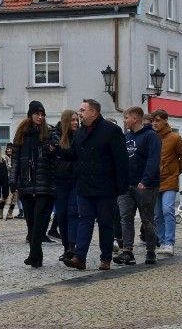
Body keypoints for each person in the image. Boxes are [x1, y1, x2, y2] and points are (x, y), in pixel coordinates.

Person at [59, 99, 128, 271]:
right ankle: (79, 257)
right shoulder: (80, 132)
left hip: (105, 186)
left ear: (93, 112)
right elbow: (74, 153)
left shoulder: (111, 130)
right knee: (85, 221)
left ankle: (106, 259)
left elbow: (121, 160)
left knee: (105, 223)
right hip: (84, 186)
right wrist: (57, 151)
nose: (80, 113)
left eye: (83, 110)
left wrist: (122, 185)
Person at [9, 101, 56, 268]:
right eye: (37, 114)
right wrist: (13, 180)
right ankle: (37, 257)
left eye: (42, 114)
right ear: (31, 115)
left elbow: (56, 154)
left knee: (39, 221)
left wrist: (53, 150)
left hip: (45, 184)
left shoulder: (49, 133)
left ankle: (33, 255)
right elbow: (15, 159)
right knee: (31, 223)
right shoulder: (21, 134)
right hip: (27, 184)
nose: (40, 117)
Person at [114, 106, 161, 266]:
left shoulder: (151, 136)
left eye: (126, 118)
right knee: (125, 218)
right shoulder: (126, 137)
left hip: (146, 186)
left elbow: (153, 160)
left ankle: (150, 250)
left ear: (135, 119)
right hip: (127, 185)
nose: (124, 121)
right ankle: (127, 251)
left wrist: (146, 180)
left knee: (147, 219)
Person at [150, 108, 182, 256]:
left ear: (165, 120)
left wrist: (175, 171)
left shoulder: (175, 138)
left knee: (168, 210)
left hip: (169, 180)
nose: (155, 123)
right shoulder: (151, 137)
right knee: (157, 214)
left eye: (158, 120)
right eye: (153, 120)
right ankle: (161, 241)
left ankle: (169, 242)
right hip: (154, 181)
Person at [53, 109, 80, 261]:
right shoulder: (55, 136)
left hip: (76, 179)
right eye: (72, 120)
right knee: (61, 215)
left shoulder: (80, 136)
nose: (75, 123)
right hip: (60, 180)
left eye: (77, 120)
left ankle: (72, 246)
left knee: (73, 212)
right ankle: (66, 246)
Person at [0, 144, 19, 220]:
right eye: (8, 149)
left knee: (14, 197)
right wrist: (13, 167)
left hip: (15, 180)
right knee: (3, 196)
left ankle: (10, 213)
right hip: (6, 179)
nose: (9, 150)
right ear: (6, 150)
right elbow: (6, 167)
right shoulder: (4, 157)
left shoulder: (16, 157)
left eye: (11, 149)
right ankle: (0, 213)